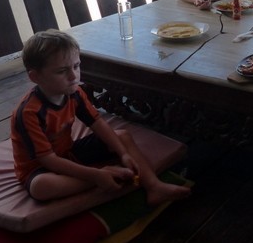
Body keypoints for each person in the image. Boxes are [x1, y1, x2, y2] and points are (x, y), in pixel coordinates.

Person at [10, 29, 191, 203]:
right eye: (61, 71)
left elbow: (97, 123)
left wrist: (123, 153)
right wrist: (96, 175)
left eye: (76, 66)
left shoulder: (74, 93)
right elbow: (48, 160)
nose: (73, 76)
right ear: (35, 77)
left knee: (121, 137)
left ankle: (154, 186)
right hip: (40, 168)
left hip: (68, 153)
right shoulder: (29, 113)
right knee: (42, 187)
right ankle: (107, 176)